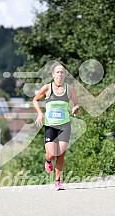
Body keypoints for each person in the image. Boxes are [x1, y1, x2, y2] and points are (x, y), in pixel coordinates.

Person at [33, 62, 80, 190]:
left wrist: (75, 108)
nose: (60, 74)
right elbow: (35, 100)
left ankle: (57, 181)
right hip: (50, 126)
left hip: (64, 126)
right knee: (52, 154)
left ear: (65, 75)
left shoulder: (69, 88)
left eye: (62, 72)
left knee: (61, 154)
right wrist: (39, 114)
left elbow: (77, 103)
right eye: (57, 72)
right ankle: (47, 161)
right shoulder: (48, 88)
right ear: (53, 74)